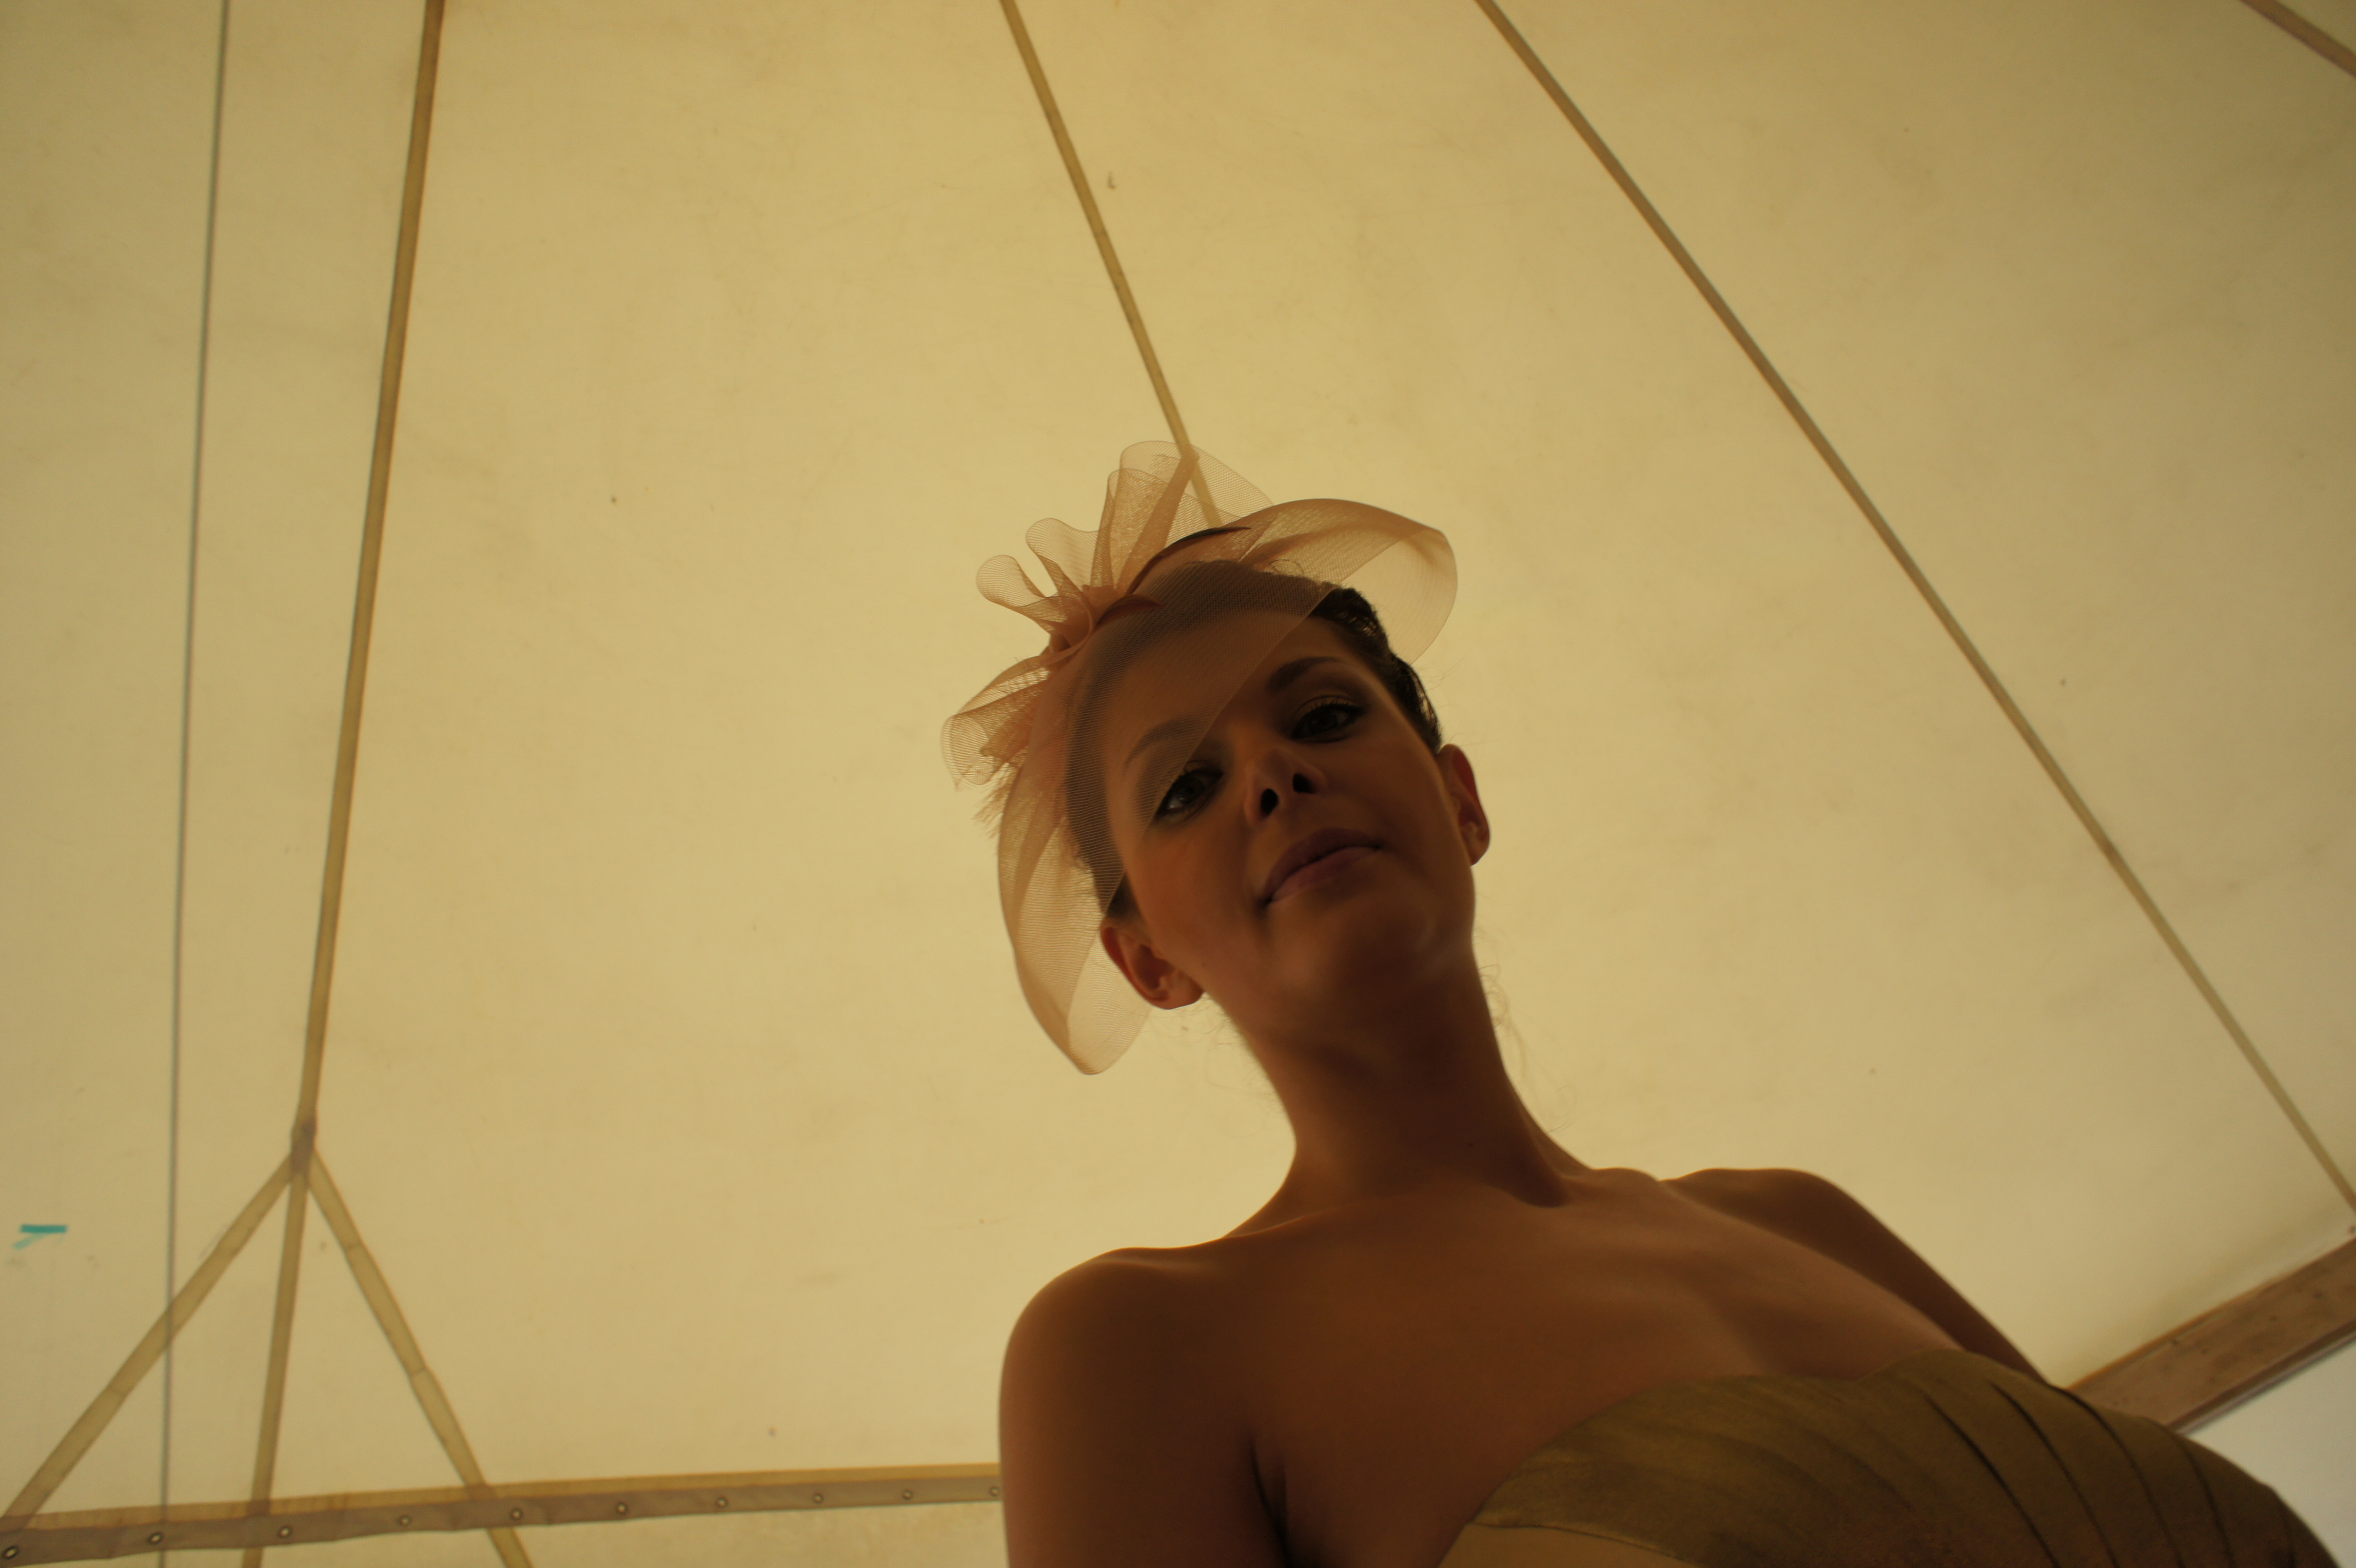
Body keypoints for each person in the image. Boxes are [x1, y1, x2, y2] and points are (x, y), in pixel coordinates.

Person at [946, 445, 2331, 1568]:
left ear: (1461, 798)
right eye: (1186, 787)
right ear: (1145, 961)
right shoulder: (1142, 1349)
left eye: (1322, 717)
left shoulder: (1805, 1221)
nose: (1273, 775)